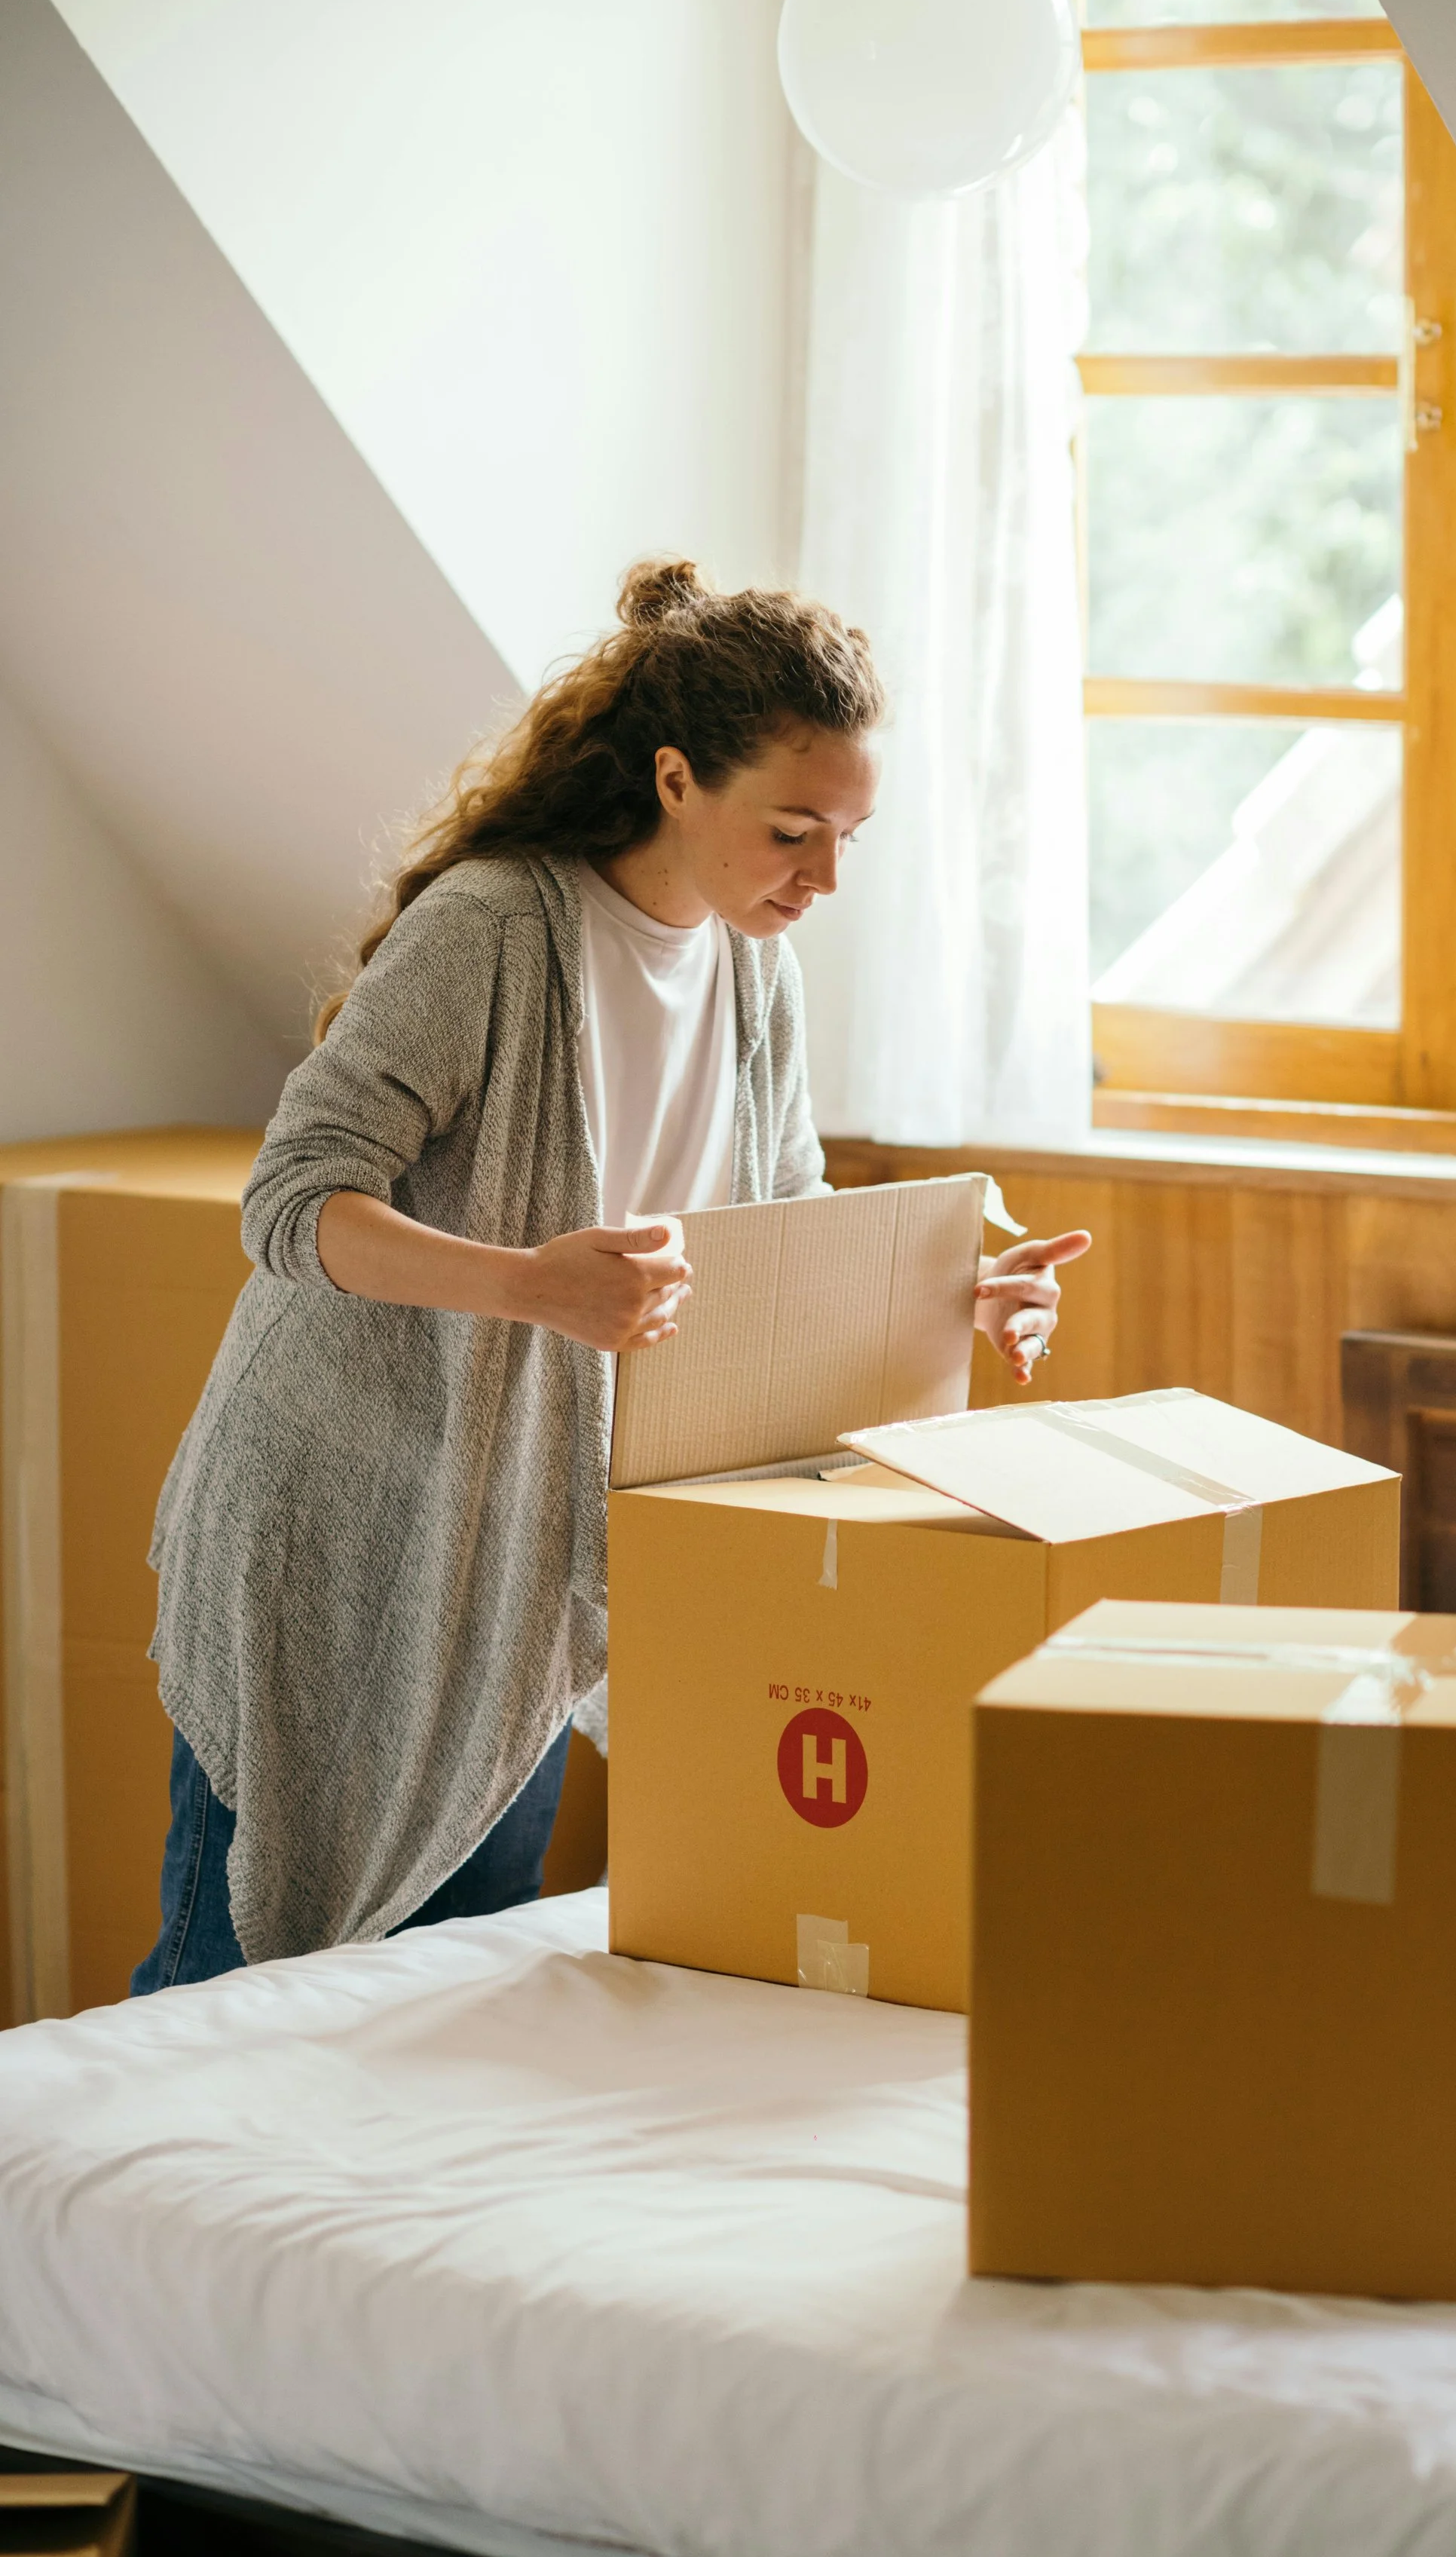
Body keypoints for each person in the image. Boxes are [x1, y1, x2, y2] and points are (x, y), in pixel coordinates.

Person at [132, 560, 1089, 1992]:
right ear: (674, 780)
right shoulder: (496, 927)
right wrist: (533, 1285)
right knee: (239, 1982)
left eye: (848, 836)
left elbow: (784, 1224)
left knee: (437, 1983)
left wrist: (966, 1281)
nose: (824, 878)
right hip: (341, 1528)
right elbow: (290, 1201)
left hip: (525, 1552)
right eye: (792, 831)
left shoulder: (757, 964)